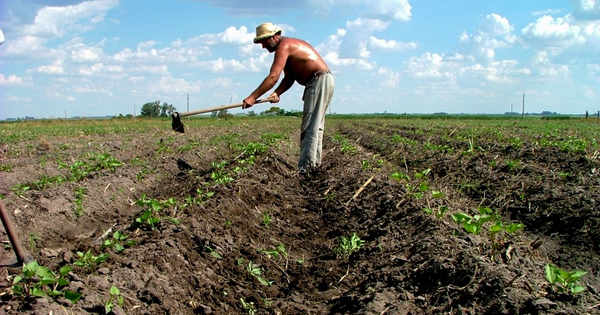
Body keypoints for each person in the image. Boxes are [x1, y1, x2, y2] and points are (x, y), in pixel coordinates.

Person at [242, 22, 334, 173]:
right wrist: (277, 93)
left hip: (318, 80)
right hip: (321, 80)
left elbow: (273, 77)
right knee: (315, 126)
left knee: (310, 127)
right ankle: (313, 166)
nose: (263, 46)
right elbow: (289, 78)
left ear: (274, 36)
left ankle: (306, 170)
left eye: (264, 41)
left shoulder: (284, 46)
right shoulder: (287, 46)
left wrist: (253, 97)